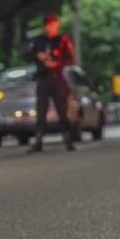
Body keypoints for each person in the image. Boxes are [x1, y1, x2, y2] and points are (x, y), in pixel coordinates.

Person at [27, 13, 76, 153]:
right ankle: (38, 139)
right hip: (43, 78)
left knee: (61, 108)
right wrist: (38, 55)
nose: (54, 28)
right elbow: (28, 55)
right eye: (52, 25)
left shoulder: (62, 40)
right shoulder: (39, 41)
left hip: (57, 78)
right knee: (41, 109)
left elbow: (70, 59)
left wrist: (56, 63)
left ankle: (68, 138)